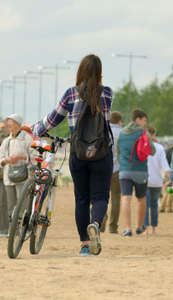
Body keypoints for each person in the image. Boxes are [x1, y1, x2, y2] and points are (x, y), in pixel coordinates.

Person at [31, 54, 113, 256]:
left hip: (78, 154)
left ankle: (85, 245)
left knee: (82, 198)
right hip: (101, 153)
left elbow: (52, 120)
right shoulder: (108, 94)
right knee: (100, 196)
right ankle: (95, 224)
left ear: (80, 72)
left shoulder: (70, 94)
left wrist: (33, 130)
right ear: (100, 74)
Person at [118, 109, 156, 237]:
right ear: (138, 119)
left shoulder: (122, 133)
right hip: (140, 171)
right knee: (141, 199)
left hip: (124, 171)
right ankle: (139, 227)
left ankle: (127, 229)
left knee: (125, 198)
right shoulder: (144, 132)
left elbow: (118, 151)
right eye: (144, 120)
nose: (145, 123)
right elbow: (152, 151)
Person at [0, 114, 33, 227]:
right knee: (11, 205)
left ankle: (24, 228)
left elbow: (33, 156)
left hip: (23, 177)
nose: (8, 126)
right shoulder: (6, 141)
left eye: (11, 123)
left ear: (18, 124)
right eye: (8, 124)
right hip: (8, 177)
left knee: (23, 203)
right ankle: (13, 229)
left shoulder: (27, 139)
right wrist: (7, 160)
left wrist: (21, 157)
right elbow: (1, 160)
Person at [143, 125, 170, 234]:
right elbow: (165, 166)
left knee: (145, 205)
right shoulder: (160, 147)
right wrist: (168, 178)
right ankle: (154, 228)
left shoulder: (142, 146)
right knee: (154, 205)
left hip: (144, 180)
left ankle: (145, 229)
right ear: (154, 134)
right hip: (157, 181)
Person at [101, 111, 123, 234]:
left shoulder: (104, 130)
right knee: (116, 198)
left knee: (102, 197)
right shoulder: (123, 133)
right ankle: (113, 227)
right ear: (120, 121)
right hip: (118, 169)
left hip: (103, 168)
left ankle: (101, 224)